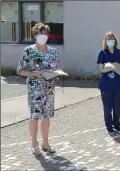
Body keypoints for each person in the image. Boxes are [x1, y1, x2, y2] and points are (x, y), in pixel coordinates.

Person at [16, 23, 58, 155]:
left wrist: (56, 73)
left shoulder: (53, 51)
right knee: (35, 116)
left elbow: (55, 68)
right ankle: (34, 143)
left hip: (49, 88)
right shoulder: (28, 51)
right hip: (34, 89)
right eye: (40, 34)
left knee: (46, 116)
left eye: (45, 34)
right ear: (35, 35)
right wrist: (33, 74)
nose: (43, 36)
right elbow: (19, 70)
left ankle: (45, 143)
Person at [97, 31, 120, 135]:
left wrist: (117, 67)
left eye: (112, 39)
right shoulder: (102, 53)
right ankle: (109, 126)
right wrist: (111, 67)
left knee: (117, 106)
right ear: (105, 41)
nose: (110, 41)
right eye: (108, 39)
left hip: (117, 84)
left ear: (115, 40)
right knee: (107, 107)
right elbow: (101, 68)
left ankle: (117, 124)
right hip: (105, 85)